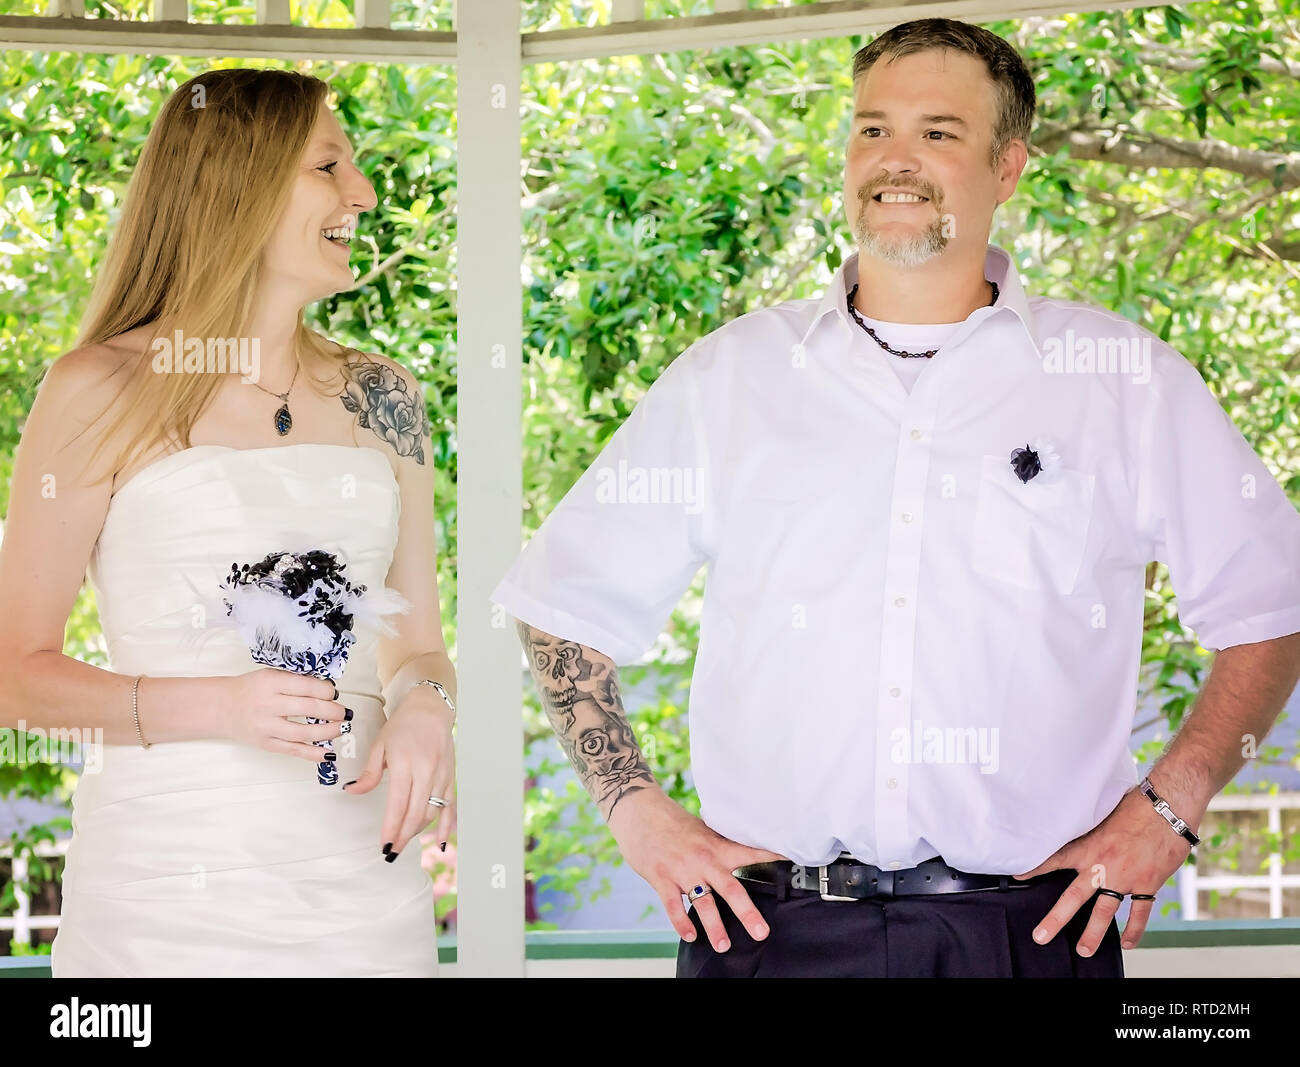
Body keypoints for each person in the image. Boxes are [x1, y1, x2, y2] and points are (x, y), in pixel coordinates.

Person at [490, 18, 1300, 978]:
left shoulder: (1121, 379)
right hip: (767, 935)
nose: (895, 160)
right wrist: (635, 811)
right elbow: (559, 609)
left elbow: (1272, 603)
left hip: (1030, 936)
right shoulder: (731, 379)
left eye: (938, 133)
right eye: (872, 129)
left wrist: (1171, 809)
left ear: (1008, 168)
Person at [0, 69, 455, 977]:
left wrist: (426, 711)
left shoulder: (385, 397)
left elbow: (419, 649)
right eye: (330, 165)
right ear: (234, 184)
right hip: (163, 907)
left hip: (366, 908)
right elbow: (15, 676)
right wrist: (222, 706)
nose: (361, 194)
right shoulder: (96, 389)